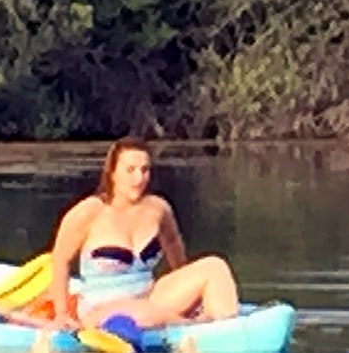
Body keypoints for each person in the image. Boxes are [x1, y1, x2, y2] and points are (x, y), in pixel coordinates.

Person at [44, 138, 240, 334]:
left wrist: (193, 296)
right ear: (112, 173)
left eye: (144, 170)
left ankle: (229, 328)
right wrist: (62, 314)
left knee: (215, 266)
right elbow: (60, 260)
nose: (139, 179)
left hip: (149, 295)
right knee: (146, 313)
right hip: (101, 307)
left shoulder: (158, 209)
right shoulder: (88, 212)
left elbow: (175, 252)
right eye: (130, 170)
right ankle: (195, 325)